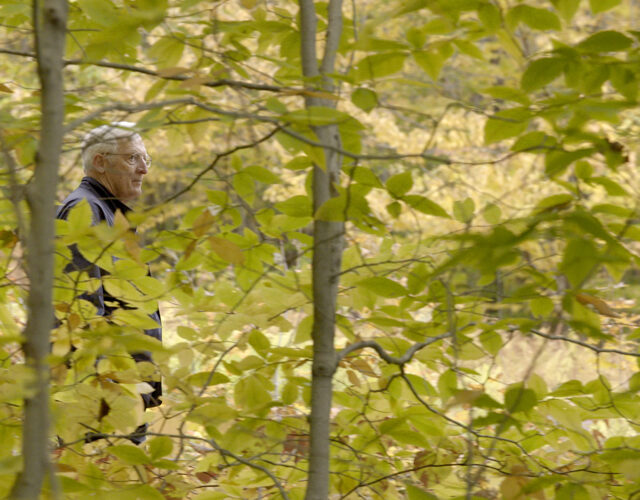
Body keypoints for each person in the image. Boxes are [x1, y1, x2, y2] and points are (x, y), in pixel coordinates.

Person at [56, 122, 162, 443]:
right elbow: (81, 312)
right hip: (103, 396)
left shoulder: (112, 214)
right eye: (133, 158)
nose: (143, 169)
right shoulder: (86, 211)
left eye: (146, 159)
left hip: (122, 388)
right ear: (100, 162)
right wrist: (116, 392)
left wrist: (144, 389)